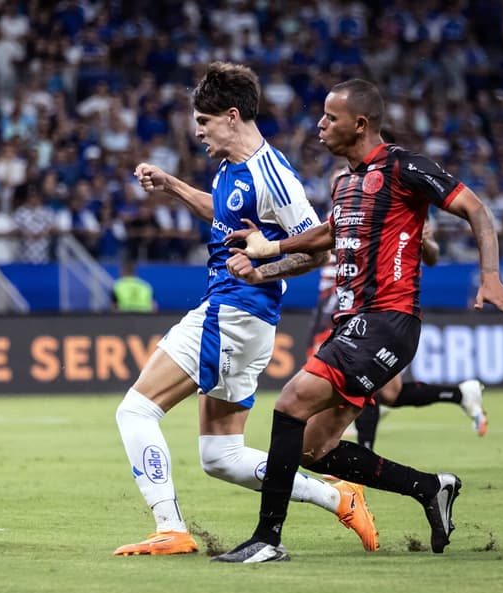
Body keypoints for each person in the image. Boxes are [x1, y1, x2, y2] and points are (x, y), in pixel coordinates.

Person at [218, 79, 503, 562]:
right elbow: (327, 235)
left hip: (388, 319)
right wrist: (268, 255)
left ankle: (267, 539)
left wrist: (489, 277)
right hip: (352, 323)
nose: (320, 124)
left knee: (290, 403)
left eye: (330, 117)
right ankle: (431, 488)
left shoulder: (404, 167)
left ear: (359, 124)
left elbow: (476, 209)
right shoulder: (343, 182)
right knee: (313, 447)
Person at [113, 63, 378, 558]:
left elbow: (319, 249)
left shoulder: (272, 175)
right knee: (222, 456)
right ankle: (337, 494)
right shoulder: (231, 167)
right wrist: (172, 185)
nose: (197, 132)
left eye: (204, 122)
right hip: (241, 316)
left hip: (234, 311)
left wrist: (264, 271)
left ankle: (170, 527)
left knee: (136, 411)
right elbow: (222, 211)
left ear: (232, 117)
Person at [309, 219, 489, 449]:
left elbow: (431, 257)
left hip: (379, 307)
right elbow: (325, 247)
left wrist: (425, 241)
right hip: (339, 306)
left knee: (364, 381)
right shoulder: (344, 209)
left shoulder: (401, 209)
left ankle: (357, 466)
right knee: (390, 392)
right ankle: (461, 394)